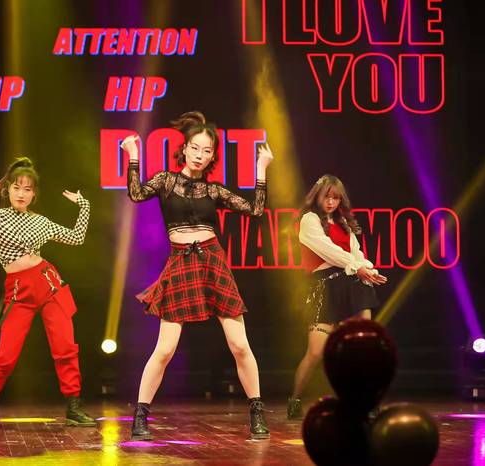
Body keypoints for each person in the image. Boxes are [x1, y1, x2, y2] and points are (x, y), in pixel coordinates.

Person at [122, 111, 274, 441]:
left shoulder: (213, 190)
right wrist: (133, 156)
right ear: (184, 148)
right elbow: (135, 193)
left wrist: (261, 170)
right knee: (165, 349)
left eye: (207, 151)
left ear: (212, 156)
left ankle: (257, 412)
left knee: (239, 344)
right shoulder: (165, 180)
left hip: (212, 261)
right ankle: (140, 416)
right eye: (195, 148)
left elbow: (255, 210)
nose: (200, 155)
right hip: (180, 262)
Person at [0, 157, 96, 428]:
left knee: (65, 347)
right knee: (6, 355)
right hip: (20, 289)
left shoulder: (40, 221)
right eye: (17, 187)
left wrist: (84, 206)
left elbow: (77, 237)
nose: (21, 193)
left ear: (34, 194)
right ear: (7, 189)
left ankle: (74, 407)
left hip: (49, 283)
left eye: (27, 189)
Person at [286, 174, 387, 420]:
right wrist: (357, 266)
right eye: (327, 197)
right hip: (325, 287)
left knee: (363, 347)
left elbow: (356, 252)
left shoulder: (343, 222)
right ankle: (295, 399)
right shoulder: (309, 220)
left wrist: (368, 269)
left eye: (336, 198)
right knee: (316, 352)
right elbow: (328, 251)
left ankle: (367, 400)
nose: (331, 202)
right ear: (317, 197)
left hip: (353, 284)